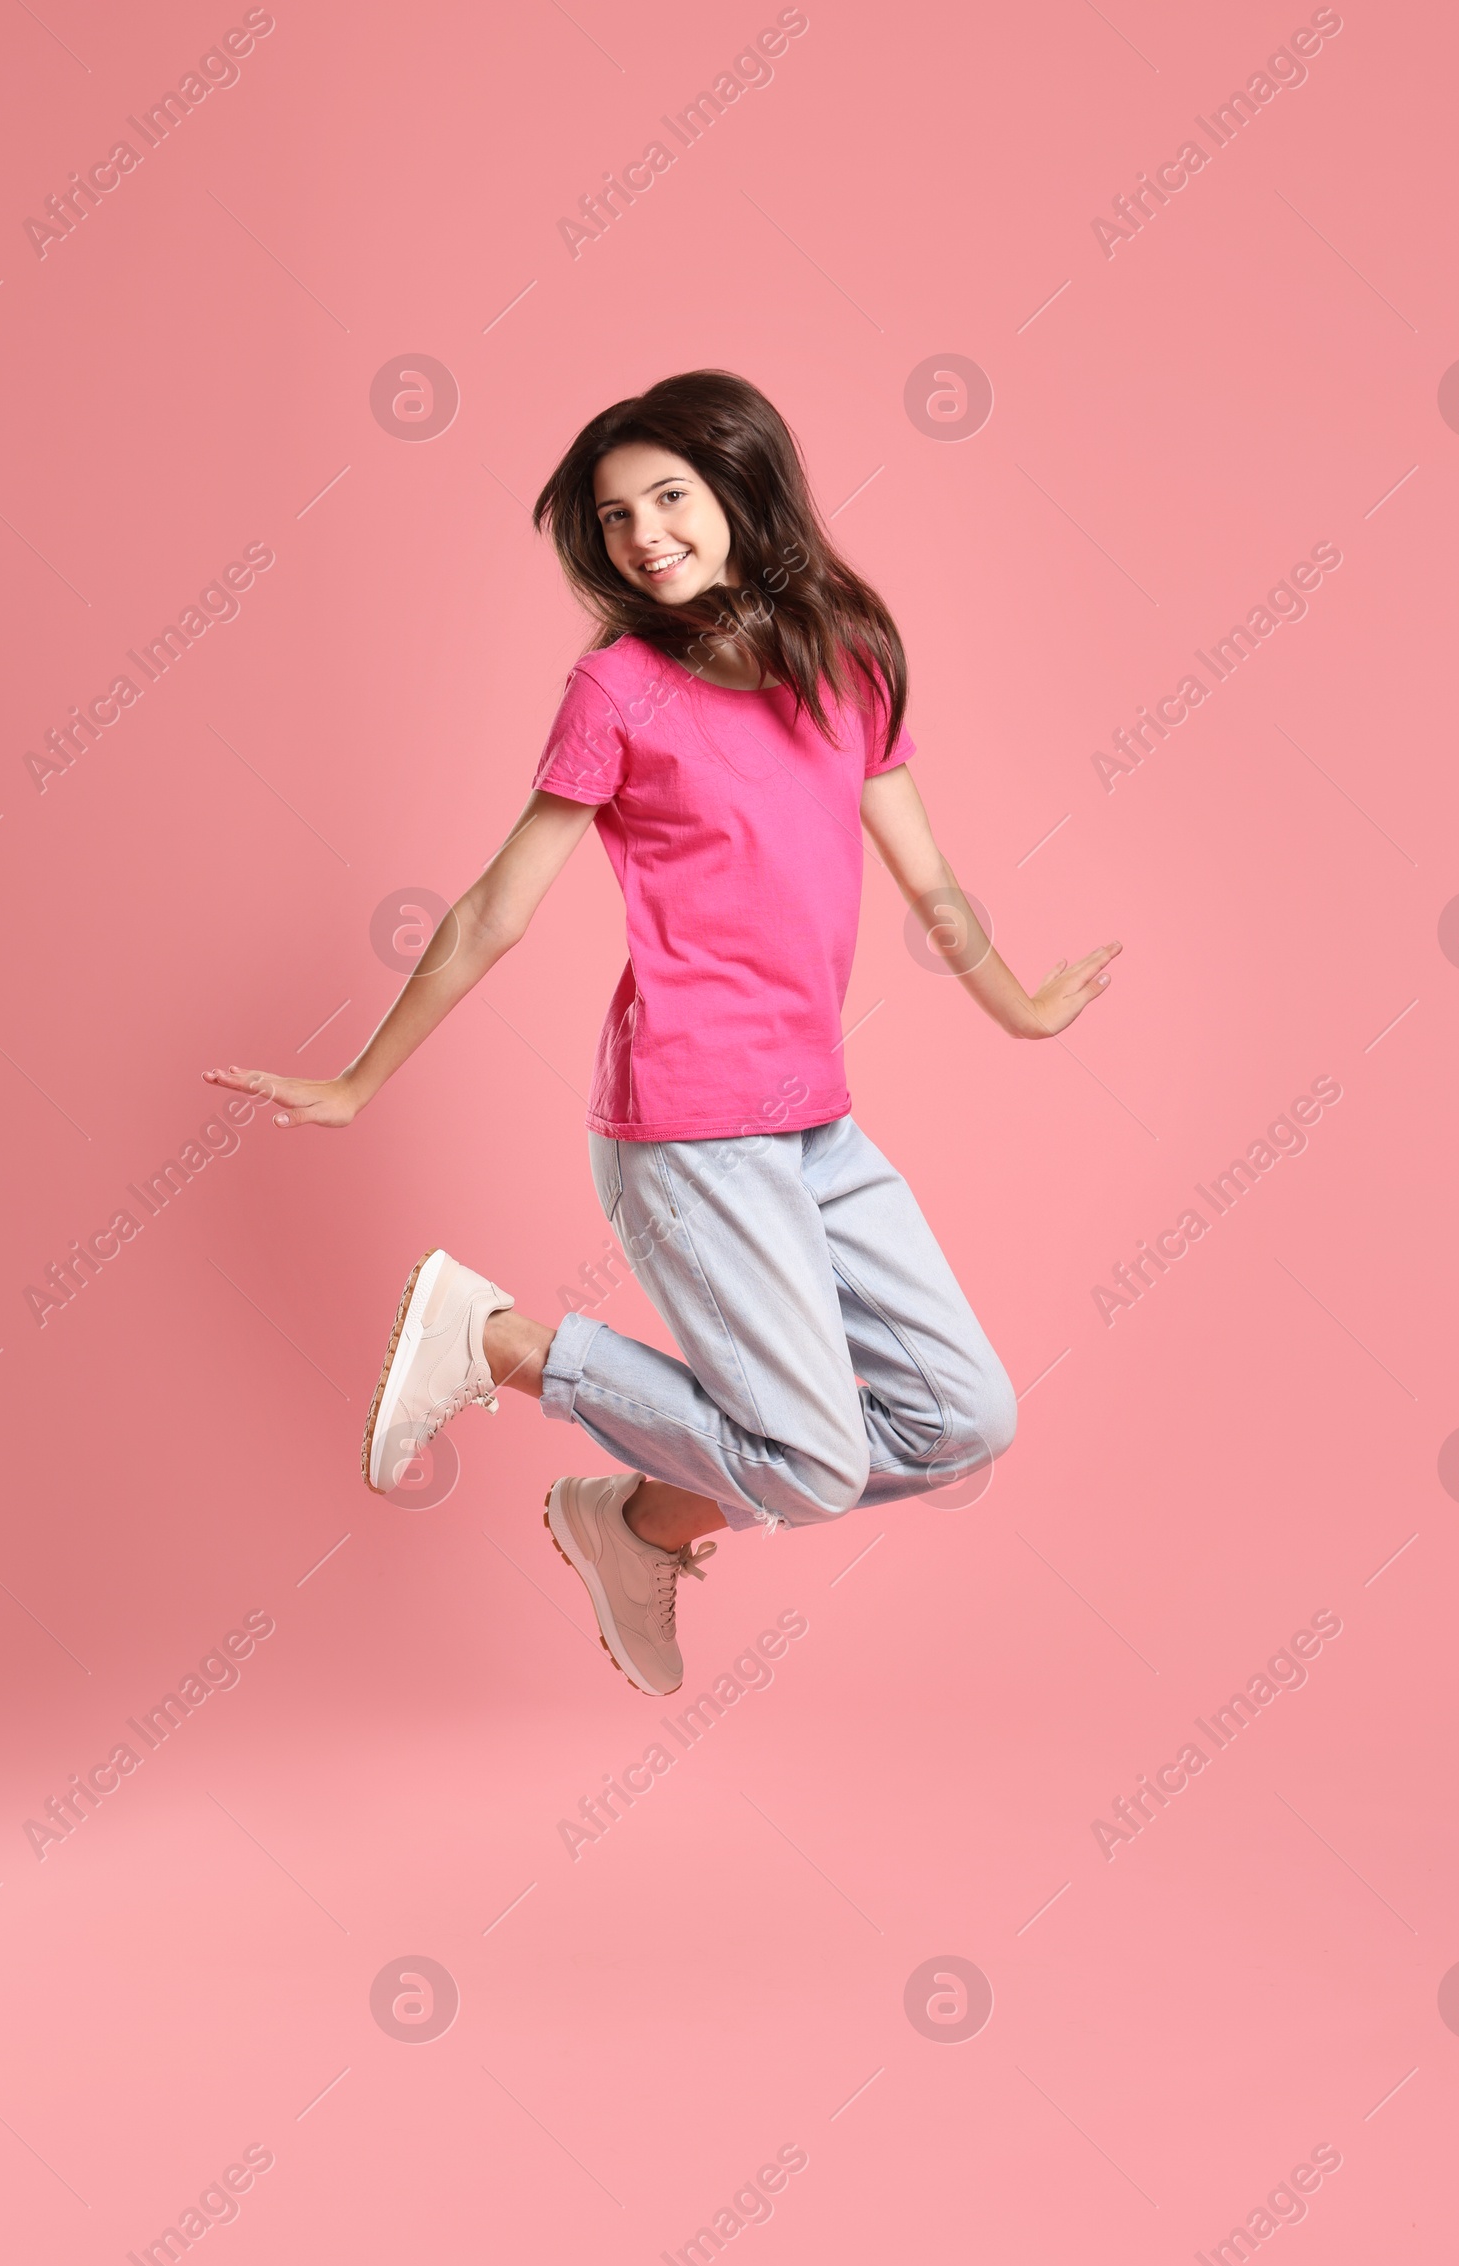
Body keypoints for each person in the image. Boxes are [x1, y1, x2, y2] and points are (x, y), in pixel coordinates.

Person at [205, 370, 1119, 1699]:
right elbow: (493, 909)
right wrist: (359, 1079)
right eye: (615, 515)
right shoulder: (620, 690)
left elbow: (931, 882)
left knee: (965, 1419)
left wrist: (1027, 1009)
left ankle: (631, 1522)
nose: (644, 535)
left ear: (745, 491)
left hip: (816, 1122)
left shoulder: (850, 657)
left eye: (670, 497)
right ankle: (501, 1341)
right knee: (809, 1461)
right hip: (690, 1125)